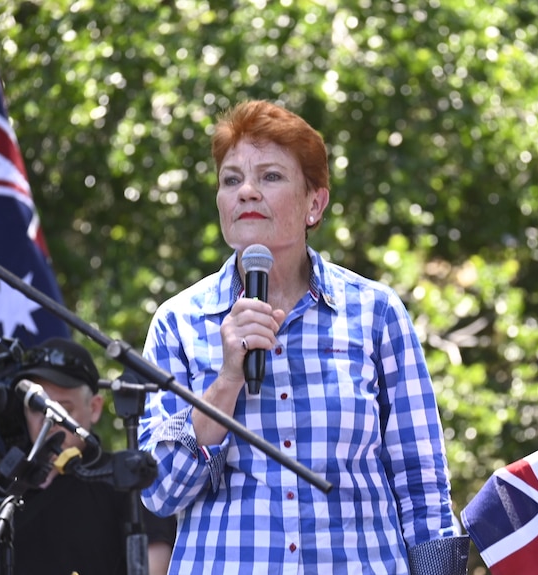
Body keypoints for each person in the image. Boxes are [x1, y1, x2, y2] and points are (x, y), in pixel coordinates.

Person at [138, 100, 458, 574]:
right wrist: (226, 382)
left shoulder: (375, 313)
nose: (246, 191)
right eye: (231, 180)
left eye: (269, 177)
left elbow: (421, 482)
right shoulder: (179, 322)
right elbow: (159, 492)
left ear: (315, 203)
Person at [0, 337, 176, 575]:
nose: (48, 421)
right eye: (37, 408)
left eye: (62, 409)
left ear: (94, 408)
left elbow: (155, 567)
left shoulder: (125, 477)